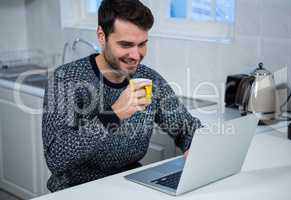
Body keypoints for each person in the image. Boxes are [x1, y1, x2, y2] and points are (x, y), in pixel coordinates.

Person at [42, 0, 202, 192]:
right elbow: (56, 158)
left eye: (142, 44)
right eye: (126, 44)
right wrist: (114, 114)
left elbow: (187, 128)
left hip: (129, 185)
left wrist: (195, 146)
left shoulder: (149, 79)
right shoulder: (66, 80)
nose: (136, 55)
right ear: (102, 36)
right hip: (76, 190)